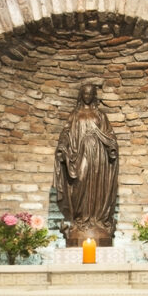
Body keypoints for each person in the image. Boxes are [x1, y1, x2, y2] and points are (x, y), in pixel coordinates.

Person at [53, 84, 119, 246]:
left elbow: (109, 135)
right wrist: (62, 147)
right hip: (80, 154)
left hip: (99, 156)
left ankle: (97, 221)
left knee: (98, 186)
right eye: (85, 94)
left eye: (90, 94)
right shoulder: (75, 114)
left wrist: (111, 147)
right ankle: (81, 220)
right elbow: (66, 133)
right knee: (80, 182)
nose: (87, 96)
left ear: (94, 95)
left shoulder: (100, 115)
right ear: (81, 95)